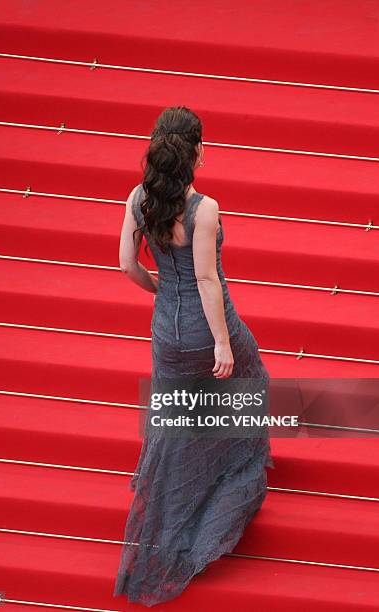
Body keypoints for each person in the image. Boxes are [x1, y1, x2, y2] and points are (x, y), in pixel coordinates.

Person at [114, 106, 275, 607]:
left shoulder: (139, 198)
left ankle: (176, 483)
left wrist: (158, 287)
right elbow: (207, 280)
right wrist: (224, 342)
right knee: (252, 386)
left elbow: (125, 265)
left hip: (167, 329)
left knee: (176, 414)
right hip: (206, 328)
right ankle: (224, 486)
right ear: (197, 152)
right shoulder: (203, 209)